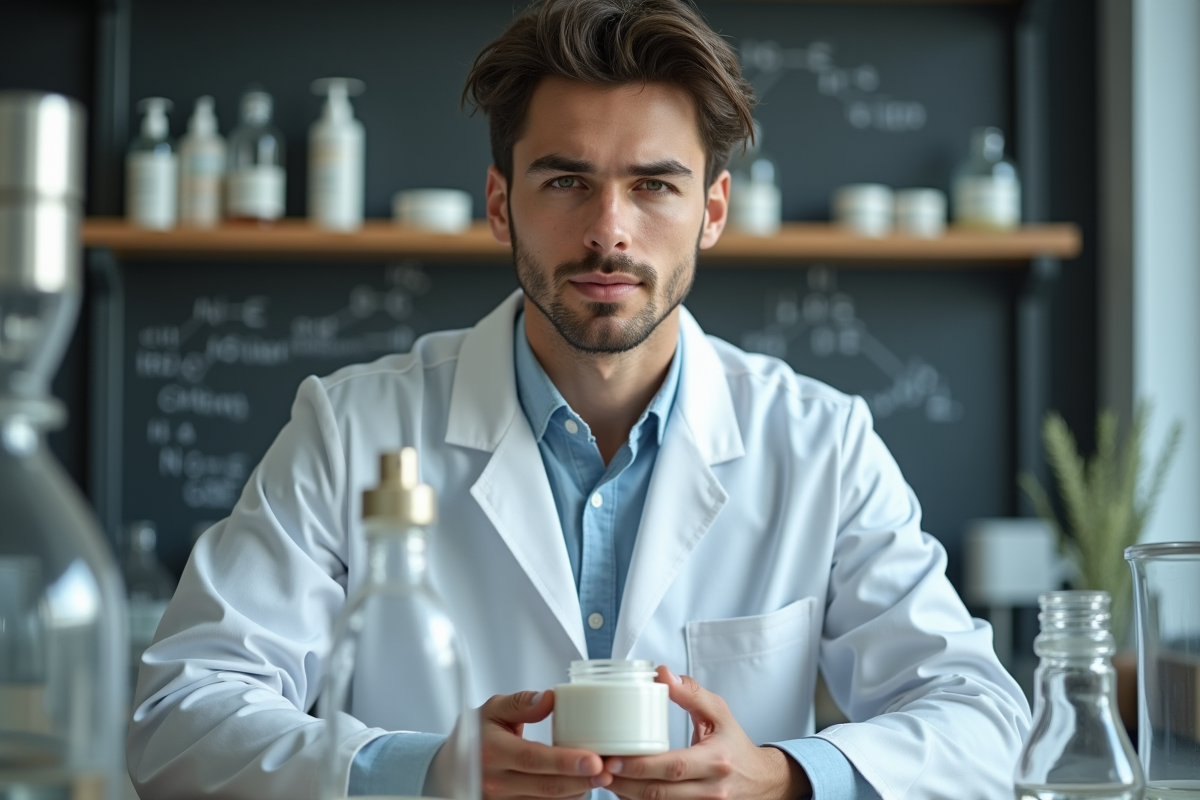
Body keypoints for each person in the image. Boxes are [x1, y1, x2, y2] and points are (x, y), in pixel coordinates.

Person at [126, 1, 1031, 798]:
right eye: (566, 181)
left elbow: (982, 720)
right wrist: (423, 773)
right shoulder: (350, 428)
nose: (609, 230)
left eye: (654, 185)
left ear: (714, 211)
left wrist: (786, 778)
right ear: (499, 204)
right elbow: (180, 716)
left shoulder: (821, 441)